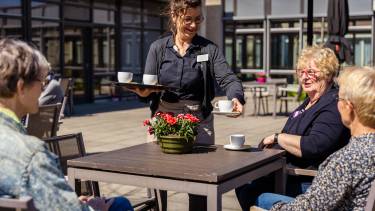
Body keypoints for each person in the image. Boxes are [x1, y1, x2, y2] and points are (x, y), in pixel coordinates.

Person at [0, 38, 133, 211]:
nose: (43, 89)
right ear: (20, 87)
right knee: (120, 205)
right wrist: (93, 207)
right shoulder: (30, 153)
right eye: (42, 82)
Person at [236, 45, 351, 210]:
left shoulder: (333, 103)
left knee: (253, 193)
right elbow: (289, 133)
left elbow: (314, 145)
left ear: (328, 73)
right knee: (242, 181)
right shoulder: (309, 102)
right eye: (301, 72)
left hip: (311, 182)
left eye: (311, 72)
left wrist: (277, 138)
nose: (304, 77)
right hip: (286, 173)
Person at [255, 67, 375, 210]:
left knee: (260, 197)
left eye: (339, 98)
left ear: (348, 108)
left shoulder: (345, 161)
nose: (337, 103)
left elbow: (309, 208)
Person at [129, 0, 245, 145]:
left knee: (199, 166)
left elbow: (228, 78)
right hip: (164, 119)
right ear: (174, 16)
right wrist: (144, 92)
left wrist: (236, 97)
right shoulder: (158, 48)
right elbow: (149, 84)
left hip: (199, 120)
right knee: (158, 164)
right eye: (188, 19)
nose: (194, 25)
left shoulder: (209, 49)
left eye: (198, 19)